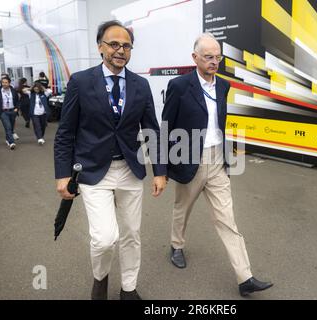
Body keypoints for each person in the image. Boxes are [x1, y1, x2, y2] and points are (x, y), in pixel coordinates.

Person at [54, 20, 167, 300]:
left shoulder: (140, 85)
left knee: (131, 234)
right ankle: (100, 278)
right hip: (93, 171)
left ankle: (128, 288)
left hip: (130, 169)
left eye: (126, 45)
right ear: (100, 47)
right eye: (114, 44)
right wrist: (62, 173)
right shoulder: (80, 82)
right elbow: (66, 131)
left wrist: (160, 171)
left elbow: (151, 129)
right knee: (105, 238)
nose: (121, 50)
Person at [162, 33, 273, 297]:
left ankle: (245, 277)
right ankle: (176, 246)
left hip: (217, 161)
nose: (214, 62)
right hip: (189, 158)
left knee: (227, 219)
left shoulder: (223, 86)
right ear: (195, 58)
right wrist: (161, 168)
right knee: (182, 209)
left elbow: (219, 123)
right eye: (209, 57)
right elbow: (167, 126)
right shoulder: (179, 86)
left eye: (218, 57)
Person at [0, 76, 20, 150]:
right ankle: (12, 142)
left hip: (12, 111)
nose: (4, 84)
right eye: (3, 82)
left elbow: (17, 101)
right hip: (3, 112)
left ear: (9, 83)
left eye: (6, 82)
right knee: (8, 126)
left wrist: (17, 108)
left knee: (10, 127)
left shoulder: (13, 91)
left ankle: (7, 139)